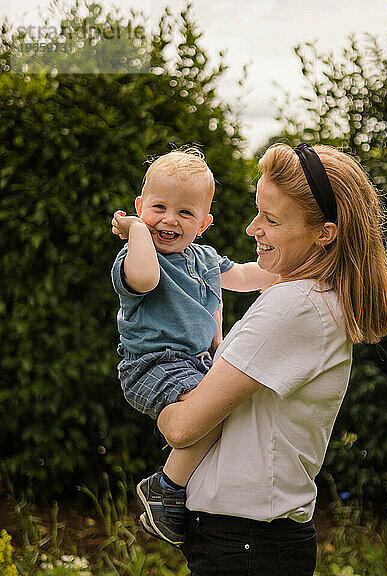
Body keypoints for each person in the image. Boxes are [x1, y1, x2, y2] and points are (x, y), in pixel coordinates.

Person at [151, 142, 387, 576]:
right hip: (249, 547)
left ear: (324, 233)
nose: (252, 228)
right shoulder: (309, 298)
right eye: (257, 212)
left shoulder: (296, 305)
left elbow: (184, 426)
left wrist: (149, 384)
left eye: (271, 219)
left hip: (247, 551)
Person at [110, 148, 277, 545]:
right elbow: (147, 279)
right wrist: (135, 231)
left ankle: (188, 490)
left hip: (195, 363)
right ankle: (165, 487)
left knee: (227, 416)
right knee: (211, 410)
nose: (169, 219)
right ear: (139, 206)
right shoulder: (135, 255)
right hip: (152, 365)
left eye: (185, 213)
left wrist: (288, 271)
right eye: (158, 207)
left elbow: (242, 275)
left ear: (203, 224)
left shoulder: (203, 258)